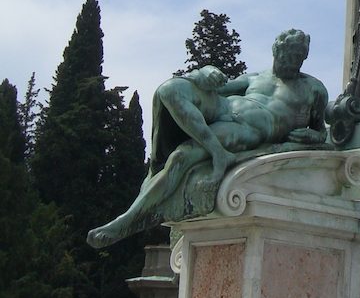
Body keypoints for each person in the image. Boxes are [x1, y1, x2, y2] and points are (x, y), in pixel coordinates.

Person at [87, 29, 328, 248]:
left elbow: (321, 132)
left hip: (247, 130)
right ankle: (217, 152)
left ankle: (126, 221)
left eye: (297, 57)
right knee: (169, 90)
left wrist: (312, 135)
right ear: (276, 51)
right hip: (224, 108)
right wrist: (204, 73)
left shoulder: (313, 89)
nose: (291, 61)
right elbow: (218, 88)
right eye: (287, 55)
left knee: (181, 157)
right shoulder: (255, 78)